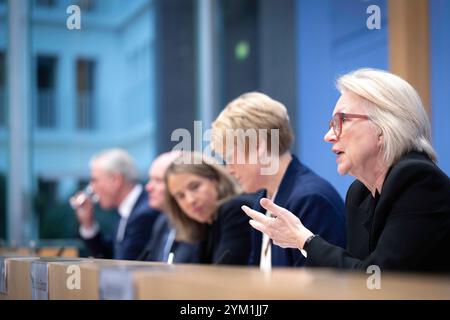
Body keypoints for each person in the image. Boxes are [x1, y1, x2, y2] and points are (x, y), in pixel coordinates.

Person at [242, 68, 450, 273]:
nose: (328, 136)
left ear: (383, 127)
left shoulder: (418, 181)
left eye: (341, 121)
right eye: (331, 124)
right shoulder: (359, 194)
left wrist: (304, 240)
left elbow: (378, 281)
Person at [211, 92, 346, 269]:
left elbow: (316, 288)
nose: (229, 169)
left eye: (229, 156)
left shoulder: (310, 199)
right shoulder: (263, 199)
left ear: (258, 146)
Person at [164, 152, 256, 265]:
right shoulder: (204, 224)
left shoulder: (236, 209)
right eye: (180, 196)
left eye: (195, 187)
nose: (190, 200)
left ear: (216, 180)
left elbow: (224, 274)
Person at [71, 148, 160, 260]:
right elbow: (107, 255)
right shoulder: (128, 211)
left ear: (116, 179)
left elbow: (123, 267)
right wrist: (88, 224)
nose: (92, 188)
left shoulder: (144, 214)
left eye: (95, 180)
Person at [138, 151, 200, 263]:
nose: (148, 187)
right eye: (150, 179)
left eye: (158, 180)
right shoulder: (162, 220)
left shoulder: (199, 222)